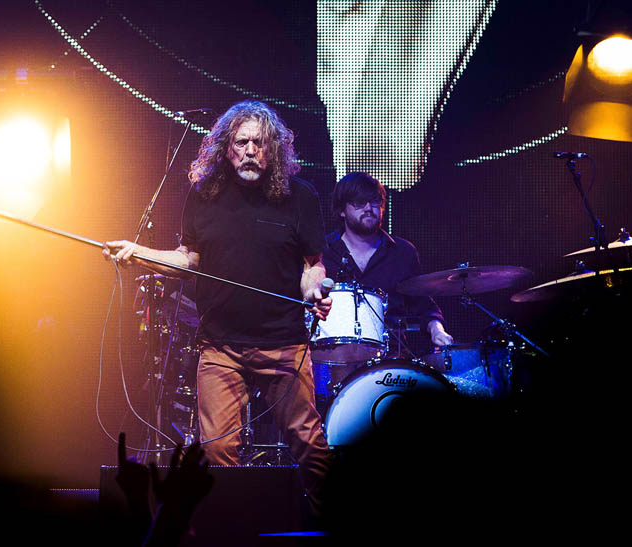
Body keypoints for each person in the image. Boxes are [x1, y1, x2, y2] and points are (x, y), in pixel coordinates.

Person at [103, 100, 332, 516]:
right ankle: (234, 533)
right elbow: (187, 260)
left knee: (310, 447)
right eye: (241, 142)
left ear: (274, 149)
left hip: (283, 346)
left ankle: (332, 529)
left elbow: (311, 267)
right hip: (220, 348)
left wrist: (314, 292)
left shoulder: (300, 197)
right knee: (219, 451)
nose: (249, 150)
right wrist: (137, 252)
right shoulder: (203, 196)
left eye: (259, 143)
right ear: (226, 148)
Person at [322, 172, 453, 350]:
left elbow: (423, 305)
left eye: (375, 201)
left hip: (390, 356)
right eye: (360, 203)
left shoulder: (403, 252)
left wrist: (437, 330)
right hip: (331, 355)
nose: (368, 208)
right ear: (342, 210)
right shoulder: (323, 251)